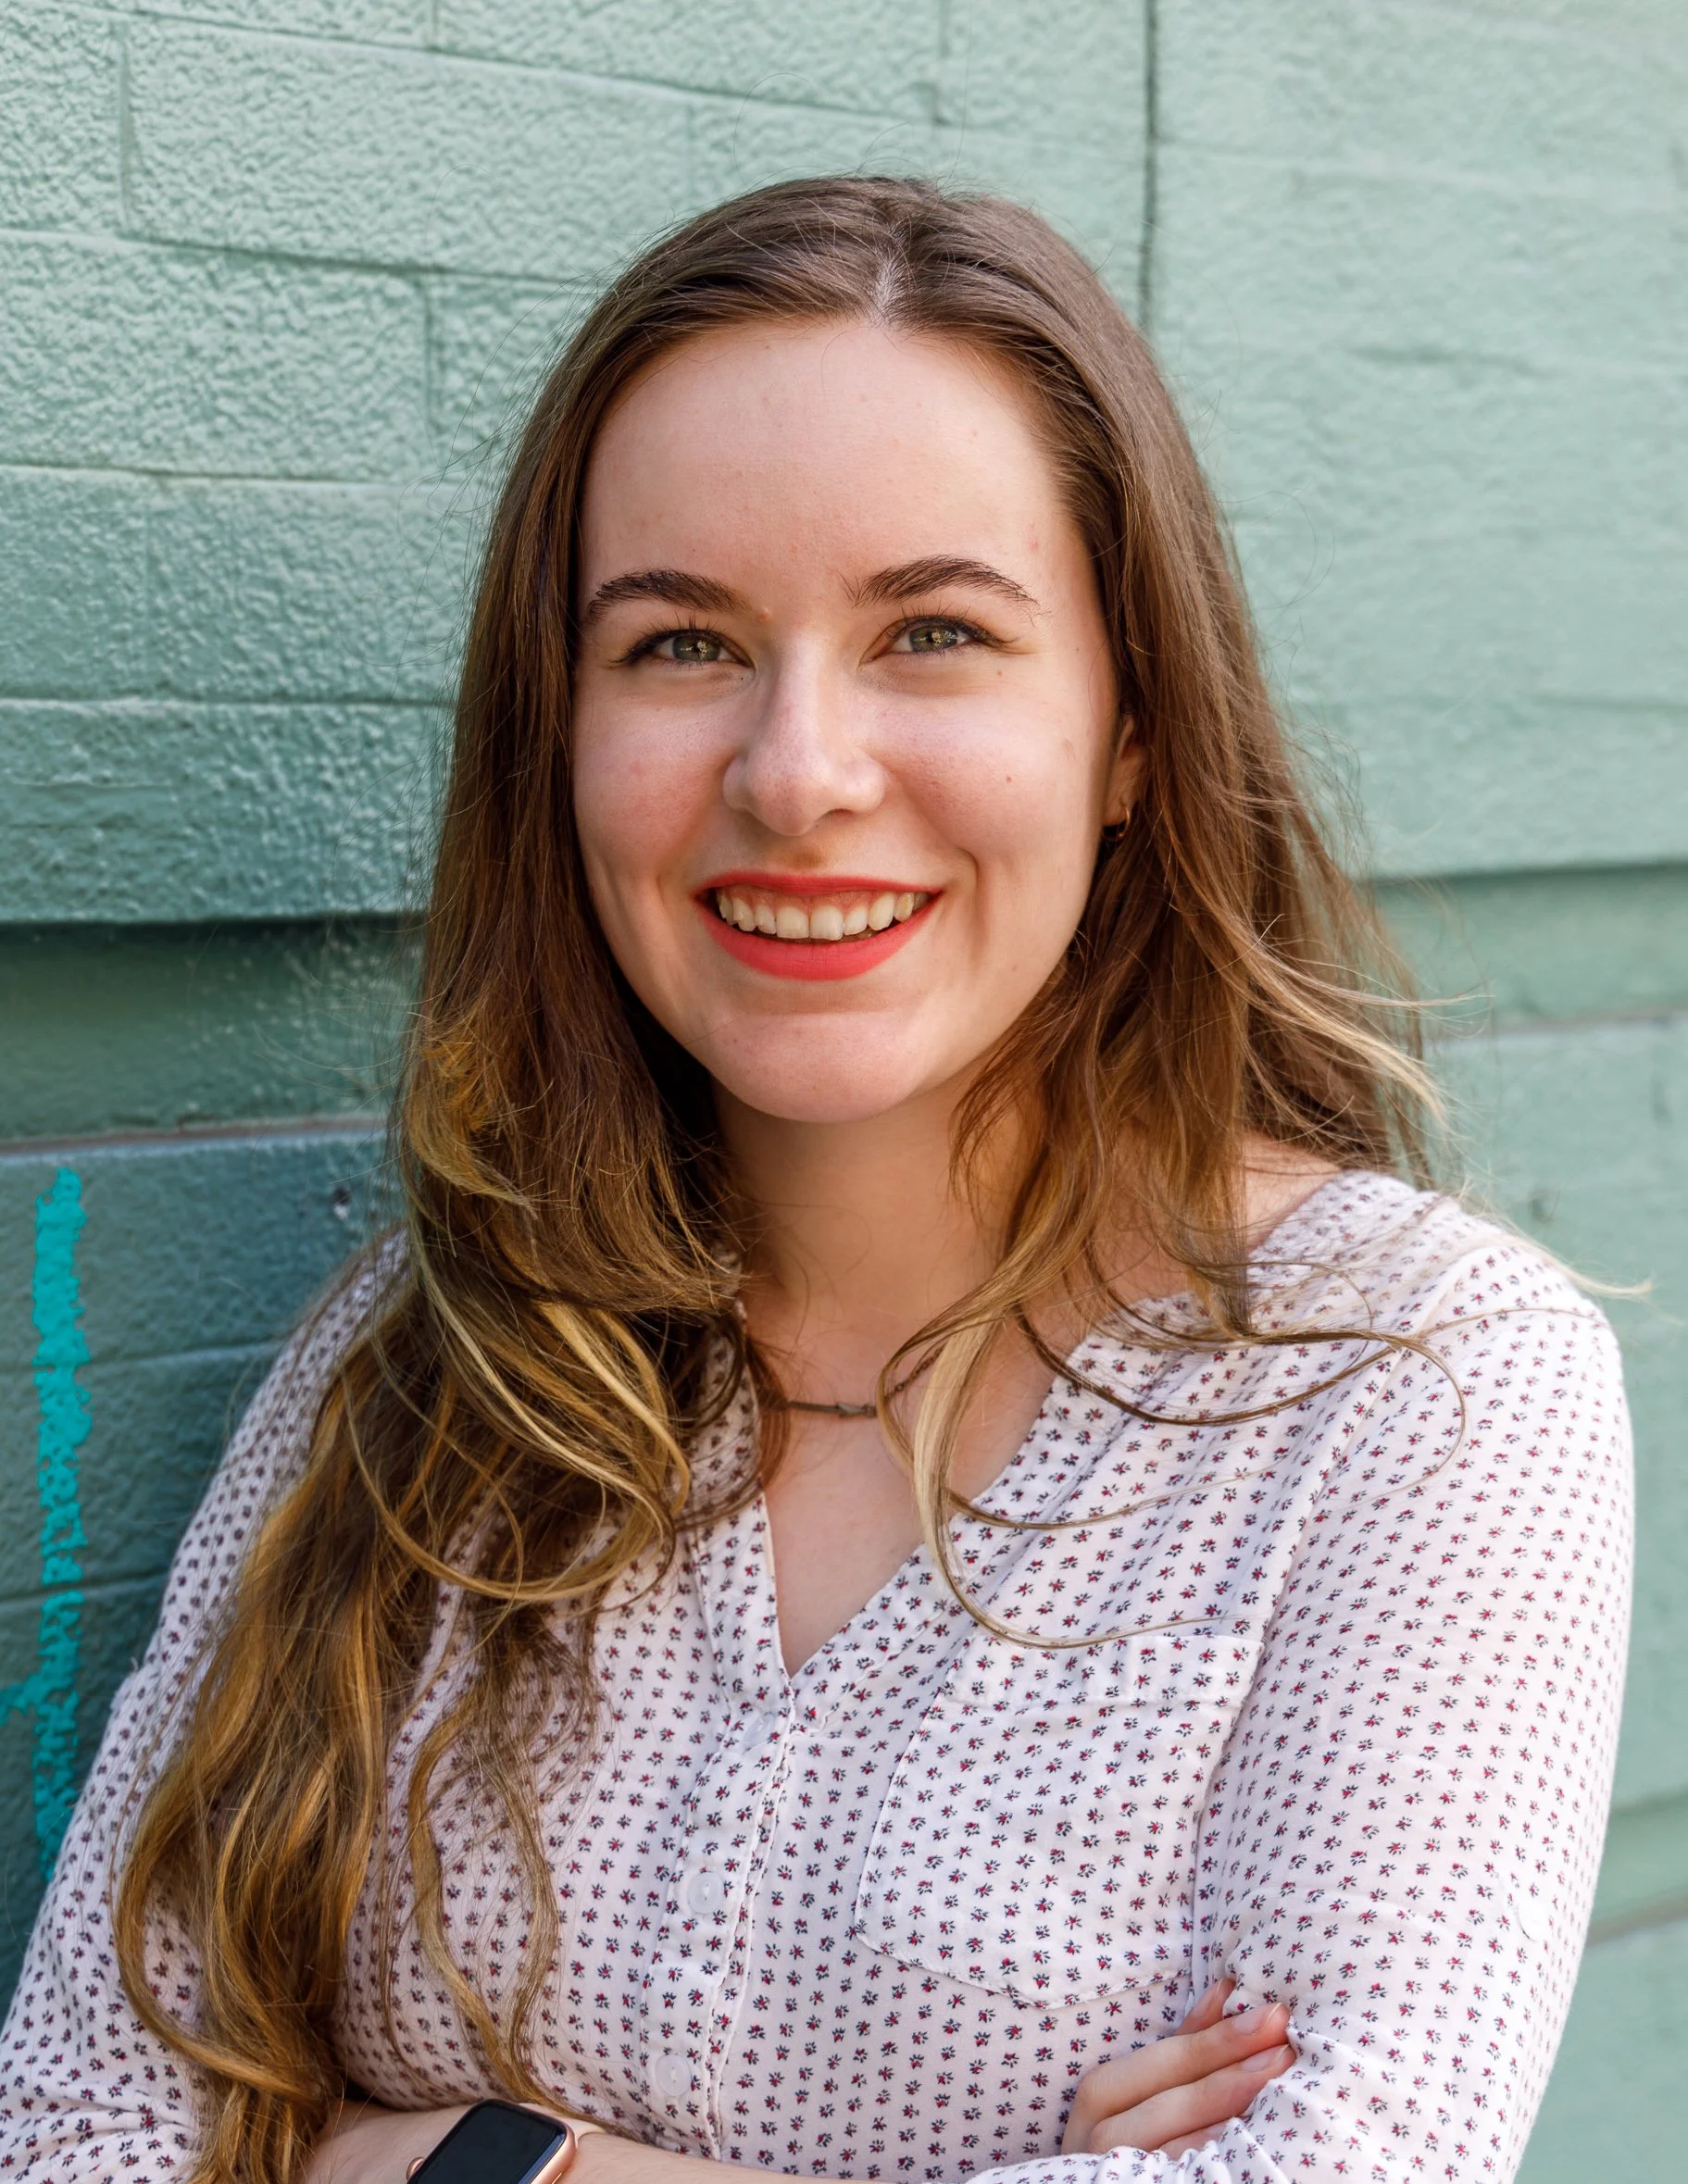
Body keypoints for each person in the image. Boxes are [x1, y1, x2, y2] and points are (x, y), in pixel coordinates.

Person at [0, 178, 1630, 2184]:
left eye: (931, 633)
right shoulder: (425, 1378)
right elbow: (76, 2126)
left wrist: (441, 2160)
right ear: (561, 734)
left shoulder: (1409, 1384)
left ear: (1127, 729)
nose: (796, 770)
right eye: (679, 642)